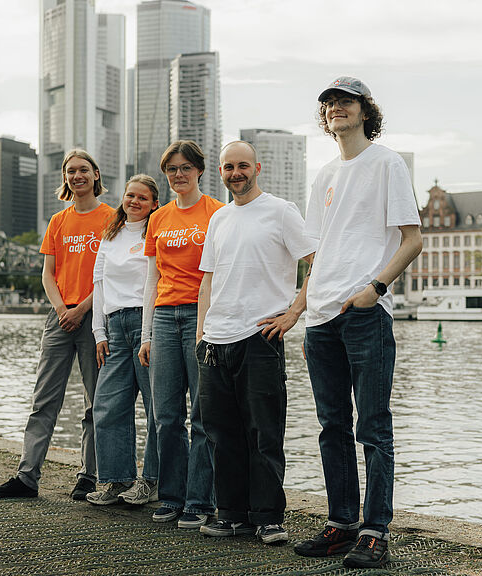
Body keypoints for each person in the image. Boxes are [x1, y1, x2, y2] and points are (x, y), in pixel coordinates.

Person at [292, 77, 423, 568]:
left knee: (372, 427)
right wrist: (304, 311)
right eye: (327, 104)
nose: (334, 109)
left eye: (344, 101)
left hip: (366, 313)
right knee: (331, 426)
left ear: (365, 111)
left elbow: (412, 239)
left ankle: (375, 533)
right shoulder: (324, 175)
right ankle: (341, 525)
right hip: (323, 317)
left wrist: (377, 289)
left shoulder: (386, 163)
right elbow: (318, 253)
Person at [195, 141, 316, 545]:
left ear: (257, 168)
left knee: (264, 433)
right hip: (216, 340)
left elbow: (316, 262)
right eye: (229, 167)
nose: (236, 173)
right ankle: (231, 515)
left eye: (243, 165)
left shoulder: (281, 211)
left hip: (260, 337)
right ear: (221, 171)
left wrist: (294, 312)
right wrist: (200, 334)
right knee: (221, 434)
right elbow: (208, 279)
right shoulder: (219, 219)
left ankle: (267, 517)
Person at [0, 149, 116, 501]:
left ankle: (88, 476)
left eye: (83, 170)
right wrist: (62, 309)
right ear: (65, 178)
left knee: (95, 401)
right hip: (60, 317)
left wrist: (81, 309)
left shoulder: (112, 218)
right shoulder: (58, 221)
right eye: (71, 171)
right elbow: (48, 273)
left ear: (96, 175)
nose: (77, 176)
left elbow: (110, 276)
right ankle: (27, 477)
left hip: (95, 317)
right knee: (44, 400)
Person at [138, 140, 224, 529]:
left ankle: (199, 501)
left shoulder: (218, 214)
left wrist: (212, 326)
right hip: (165, 317)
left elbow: (220, 276)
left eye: (185, 168)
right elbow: (151, 279)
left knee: (201, 416)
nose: (178, 175)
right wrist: (146, 334)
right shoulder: (158, 219)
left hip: (199, 316)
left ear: (200, 171)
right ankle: (171, 496)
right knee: (165, 416)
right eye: (171, 169)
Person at [86, 175, 160, 506]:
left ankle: (153, 480)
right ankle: (117, 479)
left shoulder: (155, 233)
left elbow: (155, 281)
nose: (134, 201)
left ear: (154, 204)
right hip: (115, 327)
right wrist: (98, 332)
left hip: (147, 323)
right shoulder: (111, 235)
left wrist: (148, 332)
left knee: (157, 407)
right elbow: (99, 284)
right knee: (107, 405)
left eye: (142, 198)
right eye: (130, 195)